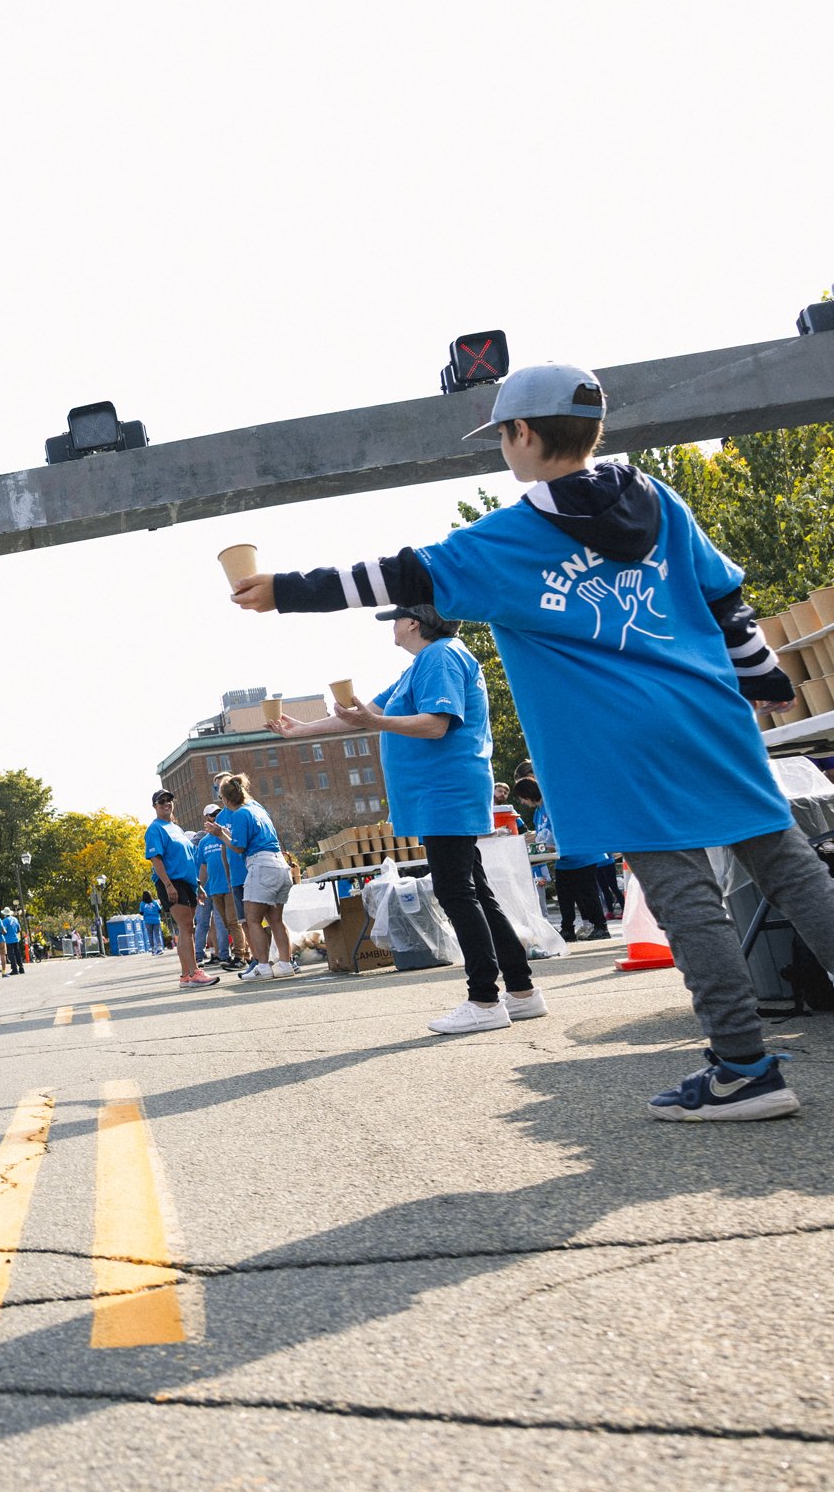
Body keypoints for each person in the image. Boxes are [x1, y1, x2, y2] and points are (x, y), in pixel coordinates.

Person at [234, 360, 834, 1120]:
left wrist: (280, 590)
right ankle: (744, 1062)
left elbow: (390, 574)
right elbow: (726, 599)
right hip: (709, 714)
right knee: (788, 867)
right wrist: (763, 680)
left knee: (687, 898)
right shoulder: (658, 498)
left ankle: (743, 1068)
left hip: (617, 743)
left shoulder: (510, 536)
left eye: (501, 436)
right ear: (593, 430)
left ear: (520, 432)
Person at [276, 605, 544, 1034]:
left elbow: (437, 725)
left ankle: (485, 1000)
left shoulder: (440, 656)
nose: (394, 627)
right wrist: (299, 731)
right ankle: (522, 991)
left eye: (397, 619)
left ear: (414, 622)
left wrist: (374, 720)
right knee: (474, 891)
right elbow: (360, 717)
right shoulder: (422, 665)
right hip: (440, 793)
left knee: (456, 892)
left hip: (445, 791)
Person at [205, 775, 296, 978]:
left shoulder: (239, 814)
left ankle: (262, 966)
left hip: (261, 865)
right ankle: (285, 963)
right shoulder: (258, 809)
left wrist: (220, 835)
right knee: (275, 920)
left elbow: (238, 847)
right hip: (279, 866)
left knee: (252, 919)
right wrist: (222, 832)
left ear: (226, 800)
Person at [145, 789, 219, 988]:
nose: (166, 803)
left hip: (188, 882)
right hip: (171, 882)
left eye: (169, 800)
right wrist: (168, 884)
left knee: (187, 928)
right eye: (161, 801)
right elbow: (156, 859)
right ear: (154, 806)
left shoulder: (175, 827)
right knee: (187, 927)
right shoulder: (155, 829)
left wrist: (197, 884)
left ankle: (186, 975)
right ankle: (195, 973)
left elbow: (187, 859)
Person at [523, 778, 614, 940]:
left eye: (521, 798)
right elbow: (541, 835)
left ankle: (601, 926)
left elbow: (560, 829)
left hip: (580, 854)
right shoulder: (539, 811)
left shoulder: (551, 805)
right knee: (564, 892)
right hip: (564, 859)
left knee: (587, 892)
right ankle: (567, 929)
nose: (522, 802)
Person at [194, 804, 252, 971]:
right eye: (212, 815)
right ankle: (245, 953)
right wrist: (200, 886)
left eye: (218, 814)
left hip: (229, 885)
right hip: (214, 889)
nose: (216, 817)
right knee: (227, 924)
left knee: (235, 922)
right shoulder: (204, 842)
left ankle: (240, 956)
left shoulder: (226, 835)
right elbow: (203, 867)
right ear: (207, 819)